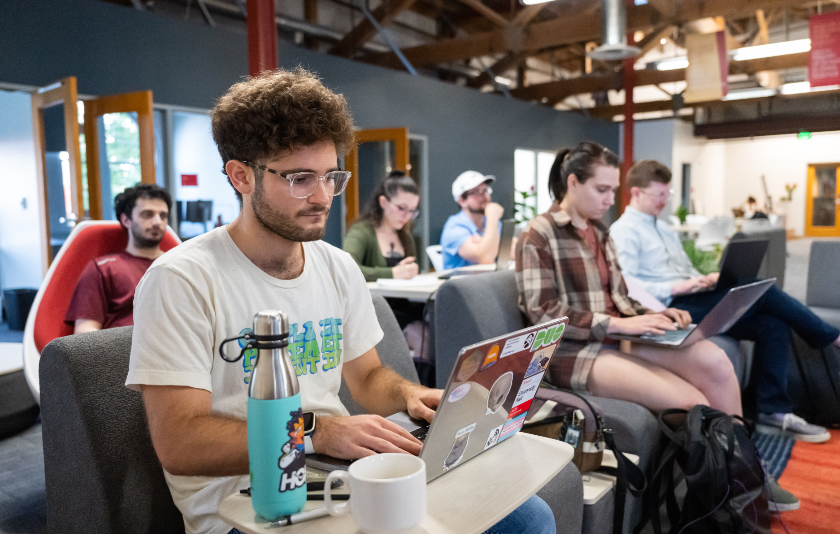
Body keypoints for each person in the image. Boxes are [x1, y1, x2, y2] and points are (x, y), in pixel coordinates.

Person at [126, 68, 554, 534]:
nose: (322, 196)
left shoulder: (336, 266)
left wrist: (410, 396)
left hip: (336, 472)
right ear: (241, 176)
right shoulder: (181, 279)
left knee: (529, 517)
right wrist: (315, 432)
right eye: (300, 178)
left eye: (331, 176)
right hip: (245, 506)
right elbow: (180, 441)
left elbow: (367, 377)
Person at [516, 143, 799, 512]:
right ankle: (730, 485)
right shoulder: (538, 235)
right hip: (572, 352)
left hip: (617, 336)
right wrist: (620, 323)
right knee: (691, 402)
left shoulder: (600, 232)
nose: (608, 200)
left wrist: (656, 314)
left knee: (715, 362)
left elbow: (618, 294)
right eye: (601, 190)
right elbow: (543, 313)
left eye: (612, 191)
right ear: (572, 182)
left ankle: (748, 470)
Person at [610, 159, 840, 443]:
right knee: (764, 291)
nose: (664, 201)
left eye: (666, 194)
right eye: (659, 195)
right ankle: (831, 338)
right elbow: (628, 286)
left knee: (772, 324)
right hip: (671, 305)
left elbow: (684, 269)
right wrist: (681, 284)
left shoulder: (665, 229)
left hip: (694, 296)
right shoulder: (623, 232)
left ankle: (773, 412)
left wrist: (703, 278)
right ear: (636, 193)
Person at [64, 183, 171, 334]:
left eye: (163, 216)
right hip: (124, 353)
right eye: (147, 214)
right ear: (126, 220)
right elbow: (84, 333)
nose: (157, 222)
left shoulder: (179, 264)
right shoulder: (103, 269)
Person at [343, 170, 419, 282]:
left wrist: (411, 271)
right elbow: (346, 270)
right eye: (401, 208)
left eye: (412, 211)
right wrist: (393, 273)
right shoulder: (361, 232)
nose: (406, 216)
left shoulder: (406, 237)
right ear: (383, 202)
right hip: (371, 299)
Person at [440, 170, 504, 270]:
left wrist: (484, 243)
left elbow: (515, 251)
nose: (485, 196)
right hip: (461, 284)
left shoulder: (491, 223)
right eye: (477, 192)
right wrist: (492, 217)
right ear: (462, 201)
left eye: (485, 190)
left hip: (487, 282)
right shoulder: (454, 227)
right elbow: (486, 258)